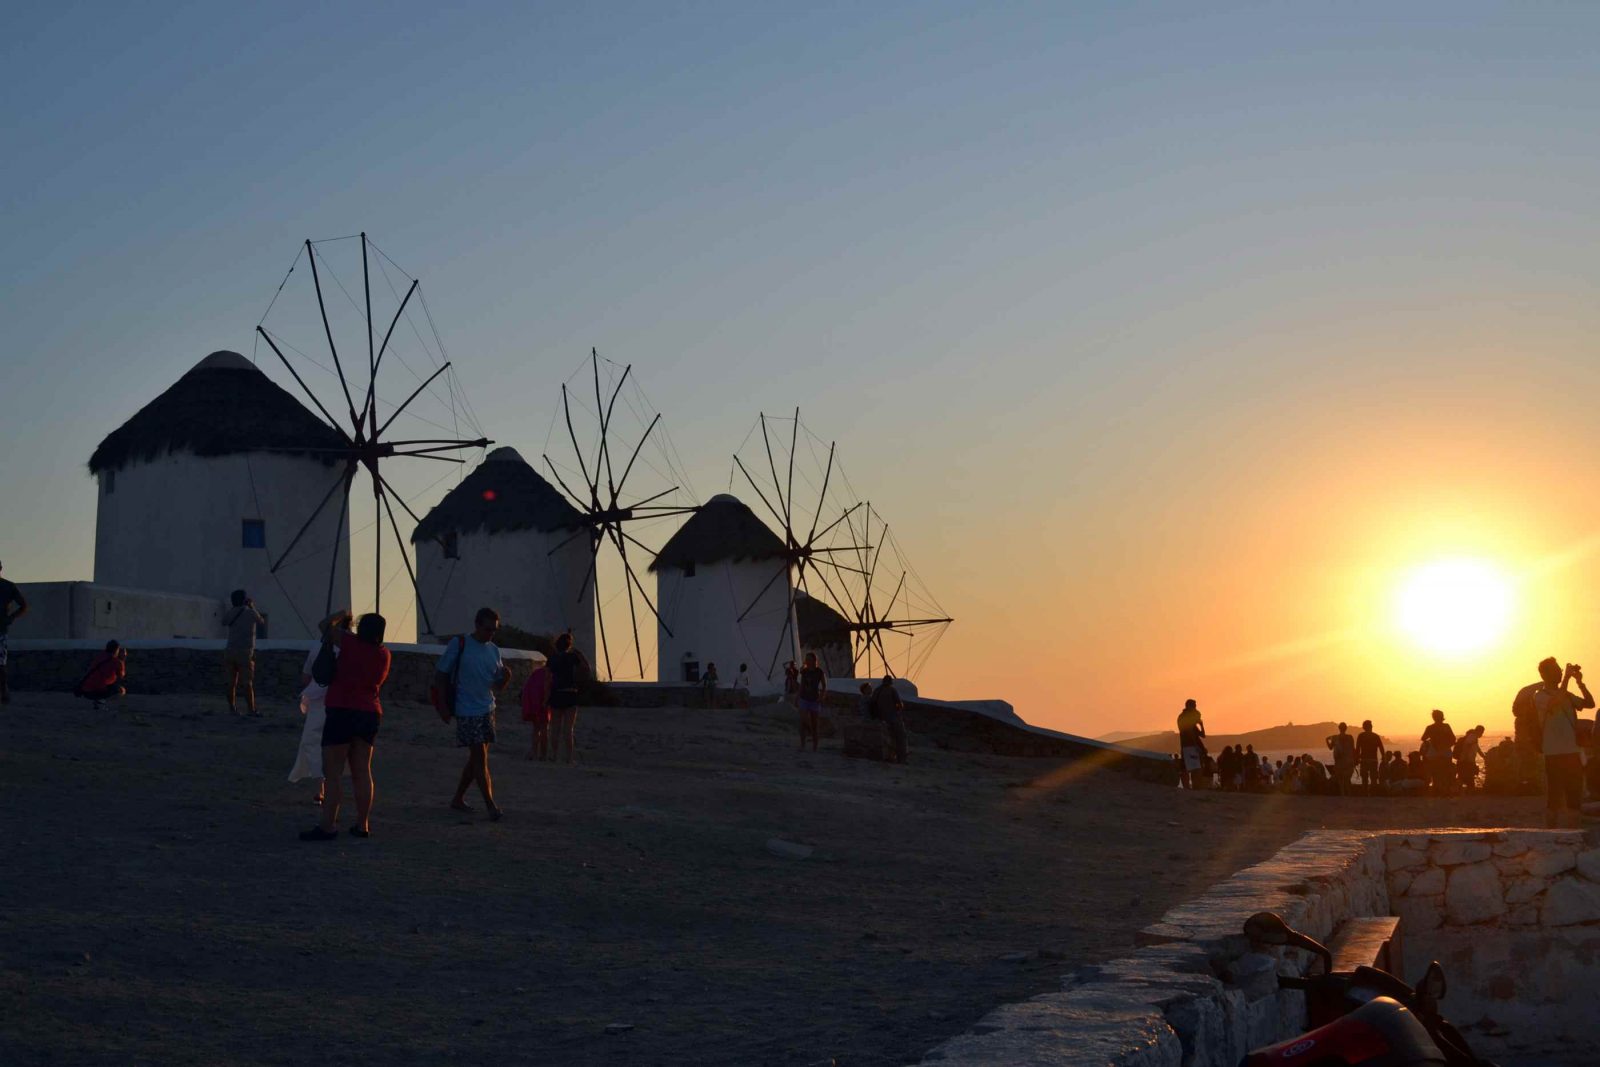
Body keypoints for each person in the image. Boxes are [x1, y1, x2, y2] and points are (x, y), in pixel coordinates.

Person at [301, 610, 389, 841]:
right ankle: (362, 824)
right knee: (362, 772)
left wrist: (342, 613)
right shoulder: (384, 654)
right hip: (369, 713)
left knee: (334, 773)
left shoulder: (349, 643)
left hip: (341, 709)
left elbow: (323, 624)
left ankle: (328, 825)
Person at [436, 608, 511, 821]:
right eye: (488, 629)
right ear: (477, 625)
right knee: (480, 758)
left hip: (488, 709)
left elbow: (497, 685)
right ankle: (490, 805)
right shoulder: (459, 644)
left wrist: (506, 678)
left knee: (477, 758)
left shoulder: (494, 650)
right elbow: (441, 675)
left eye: (494, 630)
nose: (491, 634)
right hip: (466, 710)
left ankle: (458, 798)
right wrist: (442, 706)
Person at [289, 615, 348, 805]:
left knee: (313, 743)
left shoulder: (317, 647)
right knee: (338, 745)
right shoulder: (349, 650)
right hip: (342, 703)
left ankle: (320, 788)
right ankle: (335, 785)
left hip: (317, 701)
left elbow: (306, 677)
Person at [1534, 657, 1593, 829]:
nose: (1560, 672)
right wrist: (1567, 679)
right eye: (1557, 670)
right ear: (1546, 674)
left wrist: (1580, 683)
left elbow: (1589, 703)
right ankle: (1550, 832)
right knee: (1554, 797)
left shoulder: (1566, 694)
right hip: (1553, 753)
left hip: (1572, 751)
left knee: (1574, 796)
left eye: (1560, 670)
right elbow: (1556, 702)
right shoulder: (1540, 697)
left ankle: (1573, 834)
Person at [547, 632, 590, 765]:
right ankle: (569, 758)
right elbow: (586, 668)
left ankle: (554, 756)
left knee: (555, 728)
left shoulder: (552, 658)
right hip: (570, 693)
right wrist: (580, 654)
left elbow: (547, 678)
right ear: (569, 645)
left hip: (556, 694)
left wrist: (546, 696)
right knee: (568, 729)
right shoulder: (572, 657)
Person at [222, 589, 264, 717]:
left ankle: (232, 709)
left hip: (230, 651)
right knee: (247, 682)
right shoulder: (251, 613)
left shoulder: (231, 613)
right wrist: (252, 606)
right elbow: (261, 621)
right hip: (245, 652)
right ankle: (251, 710)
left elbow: (224, 622)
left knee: (231, 682)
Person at [0, 560, 29, 704]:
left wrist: (11, 617)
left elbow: (23, 605)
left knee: (1, 665)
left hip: (0, 630)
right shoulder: (8, 586)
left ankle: (4, 691)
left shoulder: (8, 586)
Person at [74, 640, 127, 710]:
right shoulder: (116, 662)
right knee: (121, 691)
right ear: (116, 650)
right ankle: (100, 702)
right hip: (97, 690)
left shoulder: (100, 656)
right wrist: (122, 659)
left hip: (85, 690)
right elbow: (121, 675)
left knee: (107, 685)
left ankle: (99, 701)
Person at [521, 653, 552, 762]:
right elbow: (547, 688)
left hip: (532, 701)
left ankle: (534, 754)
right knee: (544, 729)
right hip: (541, 701)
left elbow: (527, 687)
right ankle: (543, 755)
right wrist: (545, 702)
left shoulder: (536, 673)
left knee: (536, 729)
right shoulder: (548, 674)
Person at [1420, 710, 1457, 797]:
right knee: (1446, 772)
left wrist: (1431, 741)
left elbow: (1423, 738)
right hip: (1445, 752)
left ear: (1433, 717)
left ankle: (1437, 790)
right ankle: (1445, 790)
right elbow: (1453, 738)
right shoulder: (1446, 726)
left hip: (1434, 752)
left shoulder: (1430, 727)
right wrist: (1446, 745)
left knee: (1435, 773)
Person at [873, 675, 907, 764]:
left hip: (880, 718)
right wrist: (898, 712)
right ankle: (901, 758)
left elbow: (872, 704)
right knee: (900, 737)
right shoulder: (892, 690)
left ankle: (889, 757)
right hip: (892, 718)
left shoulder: (877, 690)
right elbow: (899, 704)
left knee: (887, 740)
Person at [796, 651, 826, 751]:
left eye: (809, 659)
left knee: (814, 724)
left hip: (814, 699)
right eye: (806, 659)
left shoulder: (819, 672)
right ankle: (802, 744)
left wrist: (821, 697)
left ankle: (815, 746)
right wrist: (797, 696)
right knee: (802, 721)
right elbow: (802, 685)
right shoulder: (804, 671)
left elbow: (824, 686)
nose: (807, 661)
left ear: (814, 660)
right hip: (804, 698)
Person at [1176, 699, 1206, 790]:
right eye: (1194, 706)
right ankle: (1190, 787)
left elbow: (1203, 735)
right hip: (1189, 746)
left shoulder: (1189, 720)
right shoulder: (1184, 717)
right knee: (1192, 767)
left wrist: (1201, 725)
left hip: (1189, 746)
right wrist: (1195, 745)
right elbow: (1188, 732)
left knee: (1191, 767)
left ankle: (1192, 787)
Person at [1325, 722, 1357, 796]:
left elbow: (1330, 748)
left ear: (1339, 728)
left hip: (1339, 762)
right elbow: (1353, 749)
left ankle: (1343, 794)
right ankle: (1349, 794)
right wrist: (1355, 759)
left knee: (1340, 780)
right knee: (1347, 780)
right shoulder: (1350, 737)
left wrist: (1326, 740)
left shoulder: (1335, 737)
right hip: (1348, 761)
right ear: (1346, 728)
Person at [1454, 725, 1487, 792]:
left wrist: (1484, 757)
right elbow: (1466, 746)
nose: (1482, 734)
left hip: (1467, 761)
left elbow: (1478, 749)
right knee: (1465, 776)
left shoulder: (1474, 738)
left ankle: (1459, 790)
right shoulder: (1473, 736)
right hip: (1466, 761)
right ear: (1479, 731)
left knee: (1465, 776)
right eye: (1482, 732)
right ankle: (1457, 790)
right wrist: (1464, 757)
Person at [1355, 720, 1384, 795]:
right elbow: (1381, 748)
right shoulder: (1376, 736)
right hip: (1373, 760)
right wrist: (1383, 757)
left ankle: (1365, 792)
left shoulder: (1361, 736)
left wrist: (1356, 759)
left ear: (1364, 727)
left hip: (1364, 759)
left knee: (1364, 778)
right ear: (1371, 727)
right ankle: (1373, 793)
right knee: (1373, 778)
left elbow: (1357, 748)